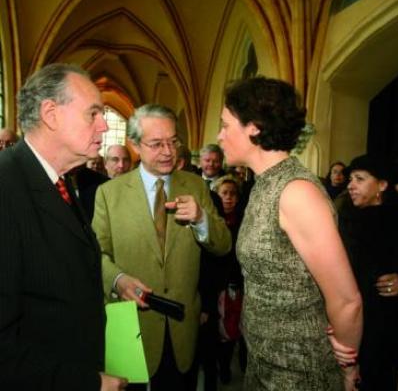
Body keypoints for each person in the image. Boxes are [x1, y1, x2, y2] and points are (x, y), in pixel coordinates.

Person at [217, 76, 363, 391]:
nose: (219, 135)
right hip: (263, 360)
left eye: (226, 126)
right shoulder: (263, 182)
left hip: (299, 371)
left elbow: (347, 300)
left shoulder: (296, 192)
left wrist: (348, 367)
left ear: (253, 127)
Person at [0, 63, 126, 390]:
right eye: (93, 114)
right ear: (51, 114)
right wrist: (88, 382)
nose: (103, 126)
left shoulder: (62, 180)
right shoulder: (5, 186)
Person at [92, 103, 231, 390]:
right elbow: (96, 255)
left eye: (173, 141)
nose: (168, 152)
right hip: (131, 325)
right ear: (135, 144)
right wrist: (117, 280)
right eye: (156, 144)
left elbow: (224, 245)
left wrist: (201, 219)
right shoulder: (109, 194)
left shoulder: (195, 186)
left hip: (183, 327)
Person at [338, 154, 398, 391]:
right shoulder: (344, 218)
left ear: (382, 185)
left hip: (385, 324)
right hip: (348, 320)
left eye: (360, 179)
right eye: (351, 179)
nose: (350, 185)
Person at [214, 176, 247, 384]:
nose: (228, 198)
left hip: (239, 285)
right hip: (218, 287)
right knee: (220, 333)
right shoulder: (211, 220)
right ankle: (222, 367)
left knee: (237, 331)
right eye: (224, 193)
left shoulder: (244, 221)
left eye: (233, 194)